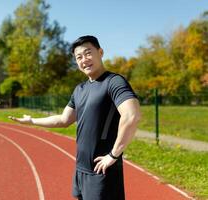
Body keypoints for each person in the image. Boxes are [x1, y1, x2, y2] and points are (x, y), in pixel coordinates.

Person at [8, 35, 141, 200]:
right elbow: (64, 120)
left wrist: (113, 155)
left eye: (88, 53)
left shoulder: (114, 82)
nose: (84, 60)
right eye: (79, 57)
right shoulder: (80, 89)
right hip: (80, 169)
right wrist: (32, 121)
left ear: (100, 52)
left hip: (102, 171)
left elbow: (131, 115)